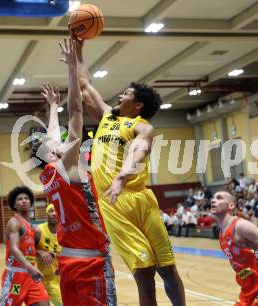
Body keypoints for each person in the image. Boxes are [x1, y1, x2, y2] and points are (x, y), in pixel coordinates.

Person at [73, 33, 185, 306]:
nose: (121, 94)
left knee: (168, 268)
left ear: (138, 106)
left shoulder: (141, 126)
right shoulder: (106, 117)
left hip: (141, 199)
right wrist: (78, 50)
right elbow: (85, 85)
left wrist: (123, 175)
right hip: (114, 203)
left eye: (128, 94)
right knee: (144, 272)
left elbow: (139, 149)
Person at [32, 38, 116, 305]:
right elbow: (77, 110)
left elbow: (52, 133)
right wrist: (71, 68)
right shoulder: (68, 166)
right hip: (90, 257)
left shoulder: (48, 174)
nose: (58, 138)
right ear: (54, 152)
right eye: (56, 142)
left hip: (67, 258)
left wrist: (52, 107)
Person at [0, 186, 50, 306]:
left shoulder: (33, 228)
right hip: (16, 275)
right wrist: (28, 266)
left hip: (32, 276)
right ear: (14, 205)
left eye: (26, 198)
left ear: (30, 202)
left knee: (44, 302)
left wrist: (40, 252)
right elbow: (14, 249)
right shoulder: (14, 222)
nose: (24, 200)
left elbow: (29, 250)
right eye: (20, 199)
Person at [36, 204, 62, 305]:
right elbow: (26, 250)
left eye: (56, 211)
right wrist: (40, 252)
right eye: (51, 211)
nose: (54, 214)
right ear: (46, 214)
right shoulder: (38, 230)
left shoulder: (65, 231)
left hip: (63, 278)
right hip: (46, 279)